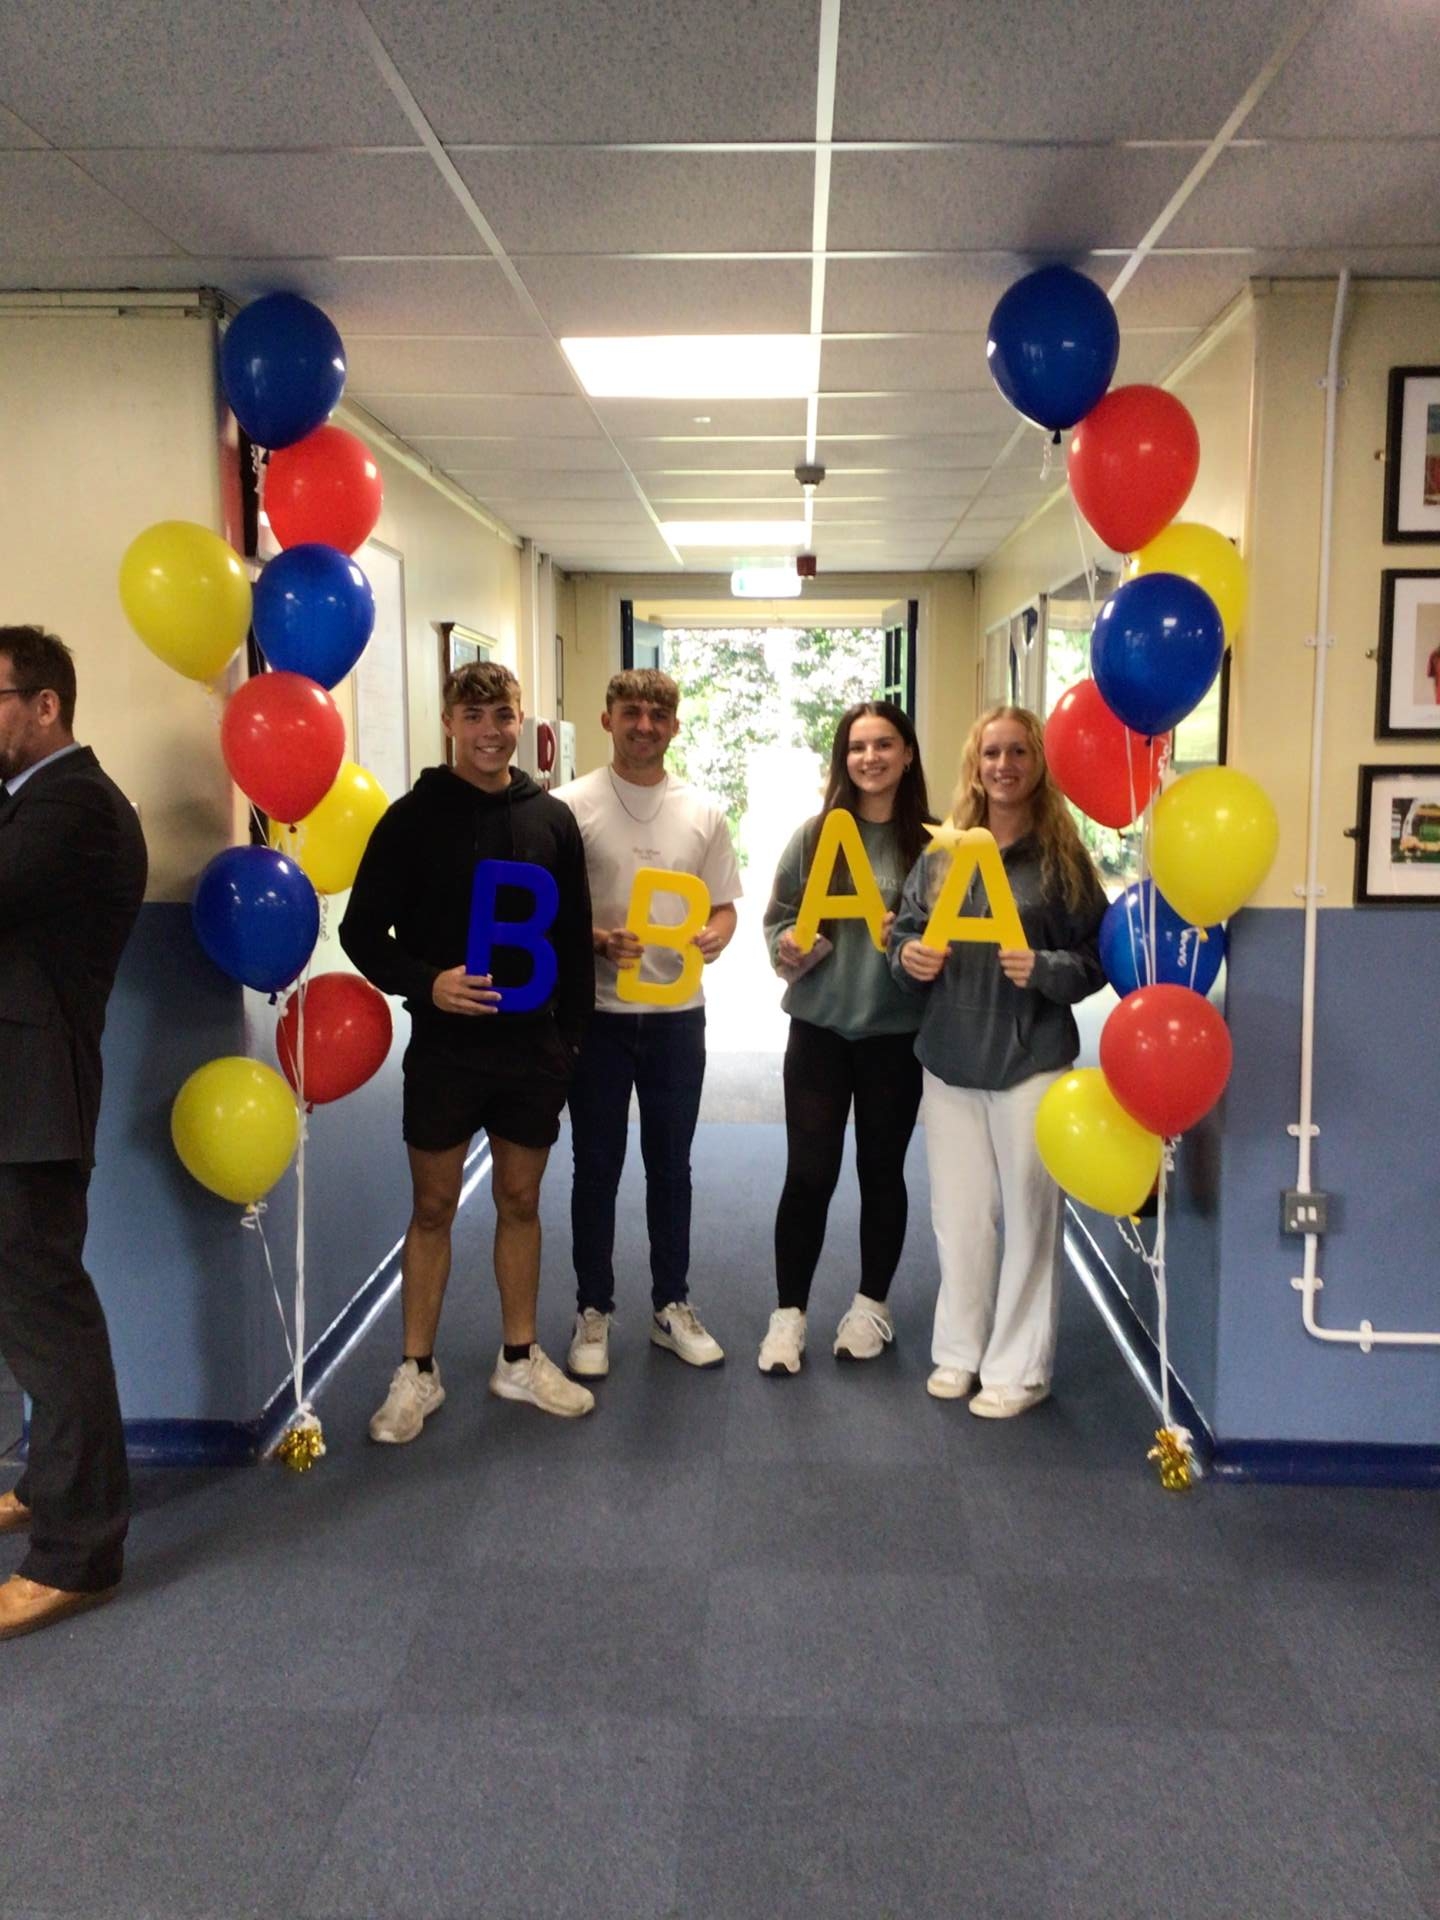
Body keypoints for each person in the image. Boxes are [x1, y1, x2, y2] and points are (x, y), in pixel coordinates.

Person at [340, 660, 596, 1441]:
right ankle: (416, 1372)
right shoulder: (410, 819)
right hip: (447, 1050)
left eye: (504, 715)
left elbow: (572, 939)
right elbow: (359, 933)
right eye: (474, 717)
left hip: (532, 1051)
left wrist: (569, 1042)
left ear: (522, 721)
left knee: (521, 1201)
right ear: (449, 722)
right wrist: (428, 982)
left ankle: (519, 1357)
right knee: (433, 1207)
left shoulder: (551, 819)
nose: (490, 732)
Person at [890, 704, 1107, 1418]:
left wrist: (1045, 968)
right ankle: (960, 1352)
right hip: (950, 1059)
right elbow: (905, 938)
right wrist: (908, 957)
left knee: (1031, 1220)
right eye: (991, 753)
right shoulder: (944, 854)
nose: (1004, 766)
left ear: (1039, 762)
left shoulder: (1064, 859)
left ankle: (1019, 1370)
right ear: (974, 765)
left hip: (1031, 1063)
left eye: (1018, 752)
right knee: (959, 1219)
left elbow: (1096, 959)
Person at [0, 626, 147, 1639]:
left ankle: (78, 1554)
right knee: (26, 1314)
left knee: (47, 1317)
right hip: (19, 1098)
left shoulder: (76, 805)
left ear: (44, 705)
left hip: (33, 1101)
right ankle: (52, 1484)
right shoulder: (30, 803)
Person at [554, 668, 742, 1378]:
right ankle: (593, 1310)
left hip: (675, 1019)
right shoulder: (569, 807)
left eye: (658, 716)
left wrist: (718, 934)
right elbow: (549, 912)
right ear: (607, 719)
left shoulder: (703, 811)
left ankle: (672, 1305)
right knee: (596, 1166)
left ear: (674, 726)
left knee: (671, 1167)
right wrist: (599, 941)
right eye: (631, 712)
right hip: (597, 1017)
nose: (644, 726)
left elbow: (723, 903)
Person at [758, 701, 933, 1374]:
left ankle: (870, 1307)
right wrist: (788, 947)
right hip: (820, 1030)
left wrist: (916, 940)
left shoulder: (936, 845)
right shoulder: (816, 837)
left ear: (907, 754)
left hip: (896, 1035)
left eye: (884, 744)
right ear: (843, 759)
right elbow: (778, 920)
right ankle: (789, 1316)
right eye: (857, 747)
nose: (870, 757)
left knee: (881, 1173)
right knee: (808, 1175)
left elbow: (955, 935)